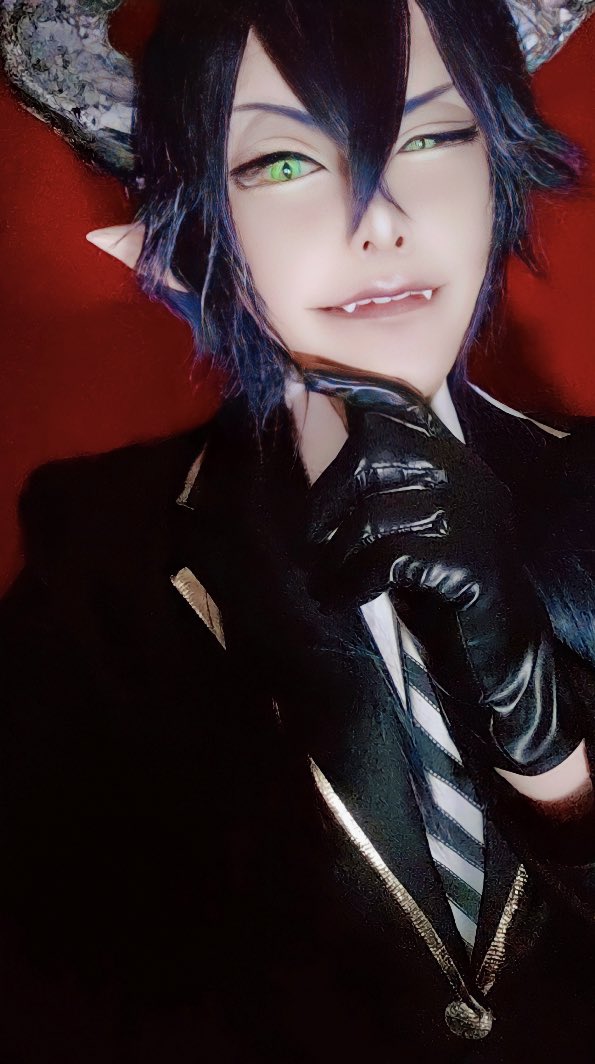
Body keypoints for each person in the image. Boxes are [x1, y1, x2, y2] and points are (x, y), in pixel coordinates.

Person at [2, 1, 595, 1060]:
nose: (380, 221)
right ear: (190, 228)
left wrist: (545, 743)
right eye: (283, 162)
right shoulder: (99, 558)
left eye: (429, 136)